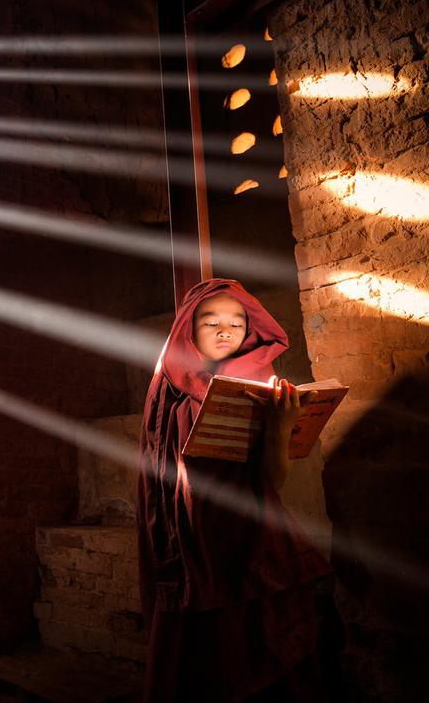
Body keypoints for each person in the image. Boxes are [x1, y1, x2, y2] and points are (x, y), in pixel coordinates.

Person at [137, 279, 333, 702]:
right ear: (188, 328)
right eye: (211, 322)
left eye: (237, 322)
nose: (226, 330)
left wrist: (280, 427)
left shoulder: (260, 384)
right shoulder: (170, 392)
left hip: (250, 542)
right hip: (194, 546)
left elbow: (270, 480)